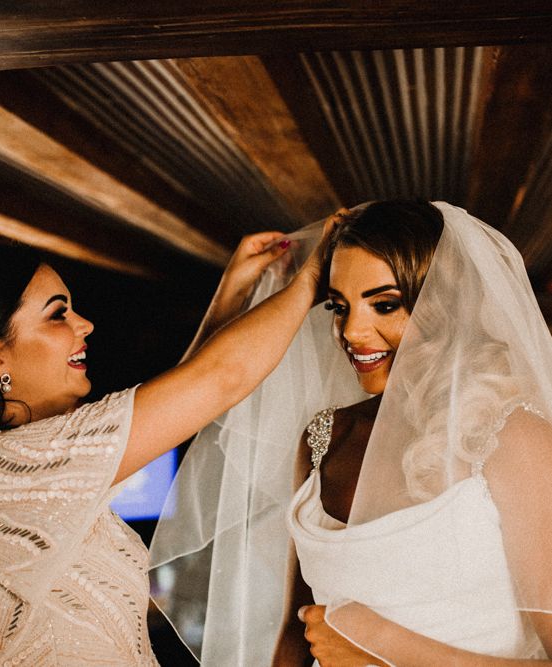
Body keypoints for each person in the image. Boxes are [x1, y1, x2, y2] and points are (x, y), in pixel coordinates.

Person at [0, 224, 341, 667]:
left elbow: (183, 395)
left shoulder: (1, 459)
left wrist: (231, 294)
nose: (85, 325)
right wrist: (312, 278)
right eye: (59, 314)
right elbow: (218, 380)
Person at [149, 200, 552, 665]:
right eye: (339, 306)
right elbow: (296, 633)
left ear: (446, 307)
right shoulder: (324, 438)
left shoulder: (513, 438)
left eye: (385, 304)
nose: (351, 331)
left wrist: (381, 643)